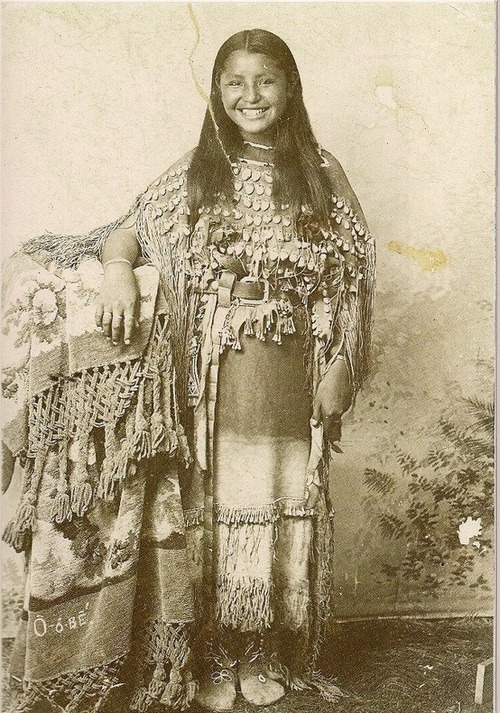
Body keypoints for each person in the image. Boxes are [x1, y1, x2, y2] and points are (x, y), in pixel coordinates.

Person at [2, 28, 374, 713]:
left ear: (290, 88)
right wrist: (118, 270)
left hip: (290, 368)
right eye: (235, 81)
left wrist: (342, 365)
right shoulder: (196, 171)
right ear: (216, 91)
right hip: (209, 380)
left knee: (274, 499)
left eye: (266, 81)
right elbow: (124, 231)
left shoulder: (322, 171)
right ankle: (212, 648)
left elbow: (351, 284)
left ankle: (262, 646)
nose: (250, 95)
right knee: (210, 508)